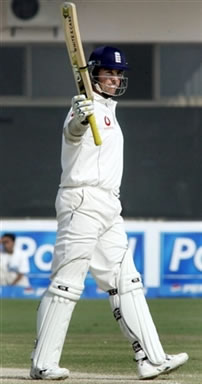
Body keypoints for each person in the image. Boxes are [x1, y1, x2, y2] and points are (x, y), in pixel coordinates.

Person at [30, 46, 188, 380]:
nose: (116, 79)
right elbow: (72, 134)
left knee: (126, 282)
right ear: (94, 74)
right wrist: (78, 118)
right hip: (81, 201)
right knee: (66, 284)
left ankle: (151, 359)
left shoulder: (109, 111)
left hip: (109, 205)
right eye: (110, 73)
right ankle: (43, 363)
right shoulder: (82, 109)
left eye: (119, 74)